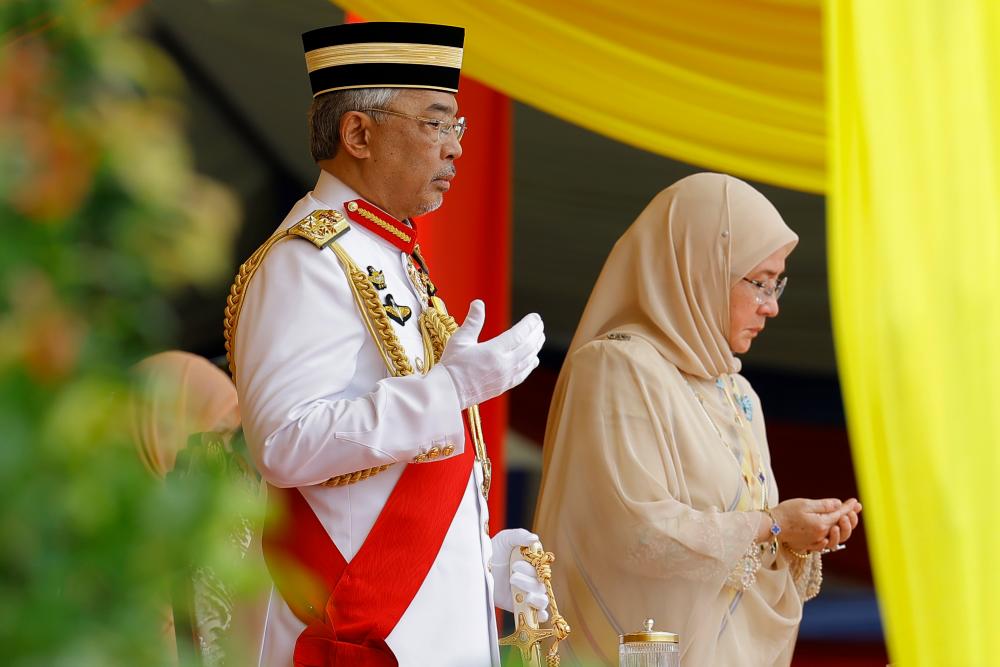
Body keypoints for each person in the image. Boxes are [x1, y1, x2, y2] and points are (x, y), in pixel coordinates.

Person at [225, 21, 549, 667]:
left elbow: (392, 465)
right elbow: (286, 444)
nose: (455, 148)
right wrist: (452, 388)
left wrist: (473, 552)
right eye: (435, 124)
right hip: (357, 617)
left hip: (416, 607)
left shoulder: (384, 249)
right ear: (359, 134)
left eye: (458, 127)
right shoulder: (309, 259)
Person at [533, 173, 862, 666]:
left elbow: (744, 551)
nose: (771, 307)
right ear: (699, 268)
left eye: (779, 285)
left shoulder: (738, 392)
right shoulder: (616, 367)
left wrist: (797, 537)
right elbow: (632, 534)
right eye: (760, 282)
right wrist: (771, 525)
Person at [130, 350, 268, 666]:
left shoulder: (235, 537)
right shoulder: (106, 564)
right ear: (156, 432)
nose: (224, 455)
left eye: (234, 439)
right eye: (215, 435)